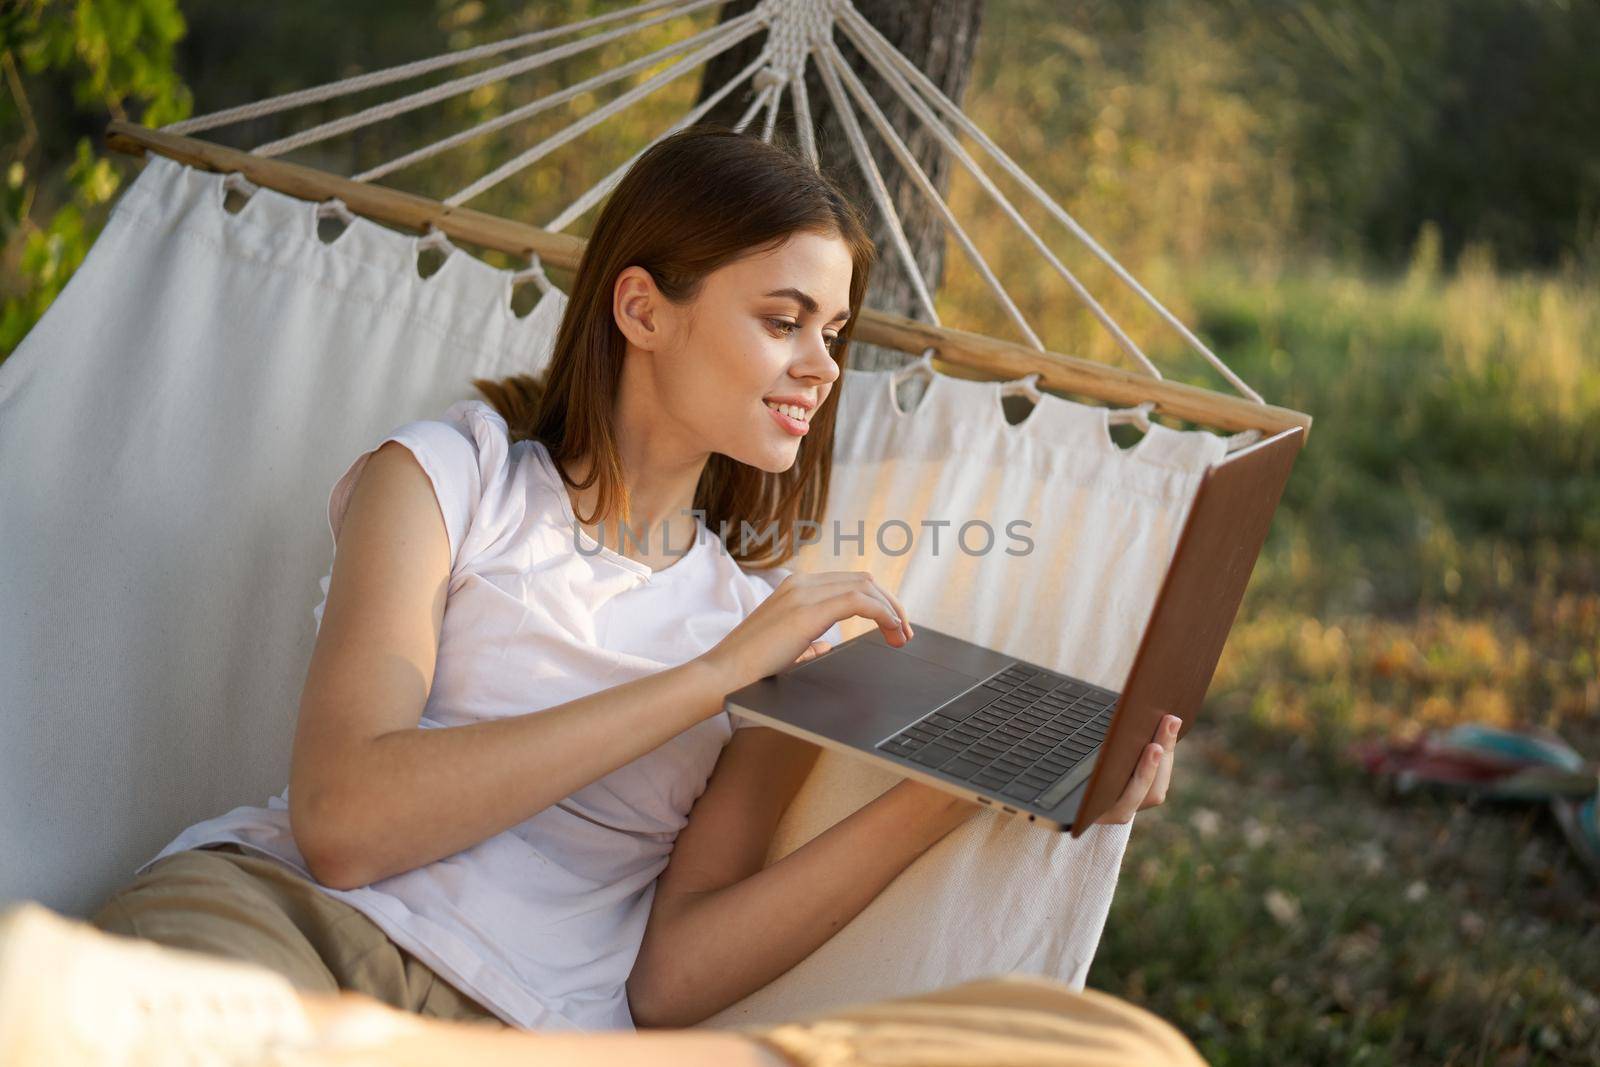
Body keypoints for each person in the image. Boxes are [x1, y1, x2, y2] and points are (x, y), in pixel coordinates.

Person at [1, 124, 1195, 1063]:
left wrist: (979, 792)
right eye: (784, 320)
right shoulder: (447, 478)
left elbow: (672, 974)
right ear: (641, 308)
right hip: (284, 930)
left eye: (833, 332)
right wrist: (710, 679)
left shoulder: (766, 625)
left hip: (526, 1030)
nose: (823, 369)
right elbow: (346, 821)